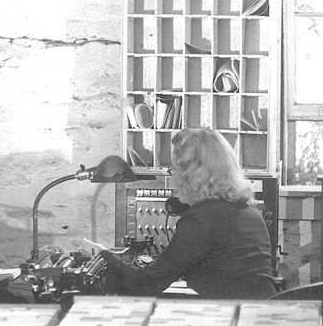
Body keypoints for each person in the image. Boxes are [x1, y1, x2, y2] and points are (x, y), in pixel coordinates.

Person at [95, 127, 276, 300]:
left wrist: (105, 256)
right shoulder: (250, 211)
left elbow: (145, 284)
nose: (173, 177)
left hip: (232, 320)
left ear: (190, 174)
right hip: (256, 316)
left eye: (175, 170)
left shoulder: (201, 218)